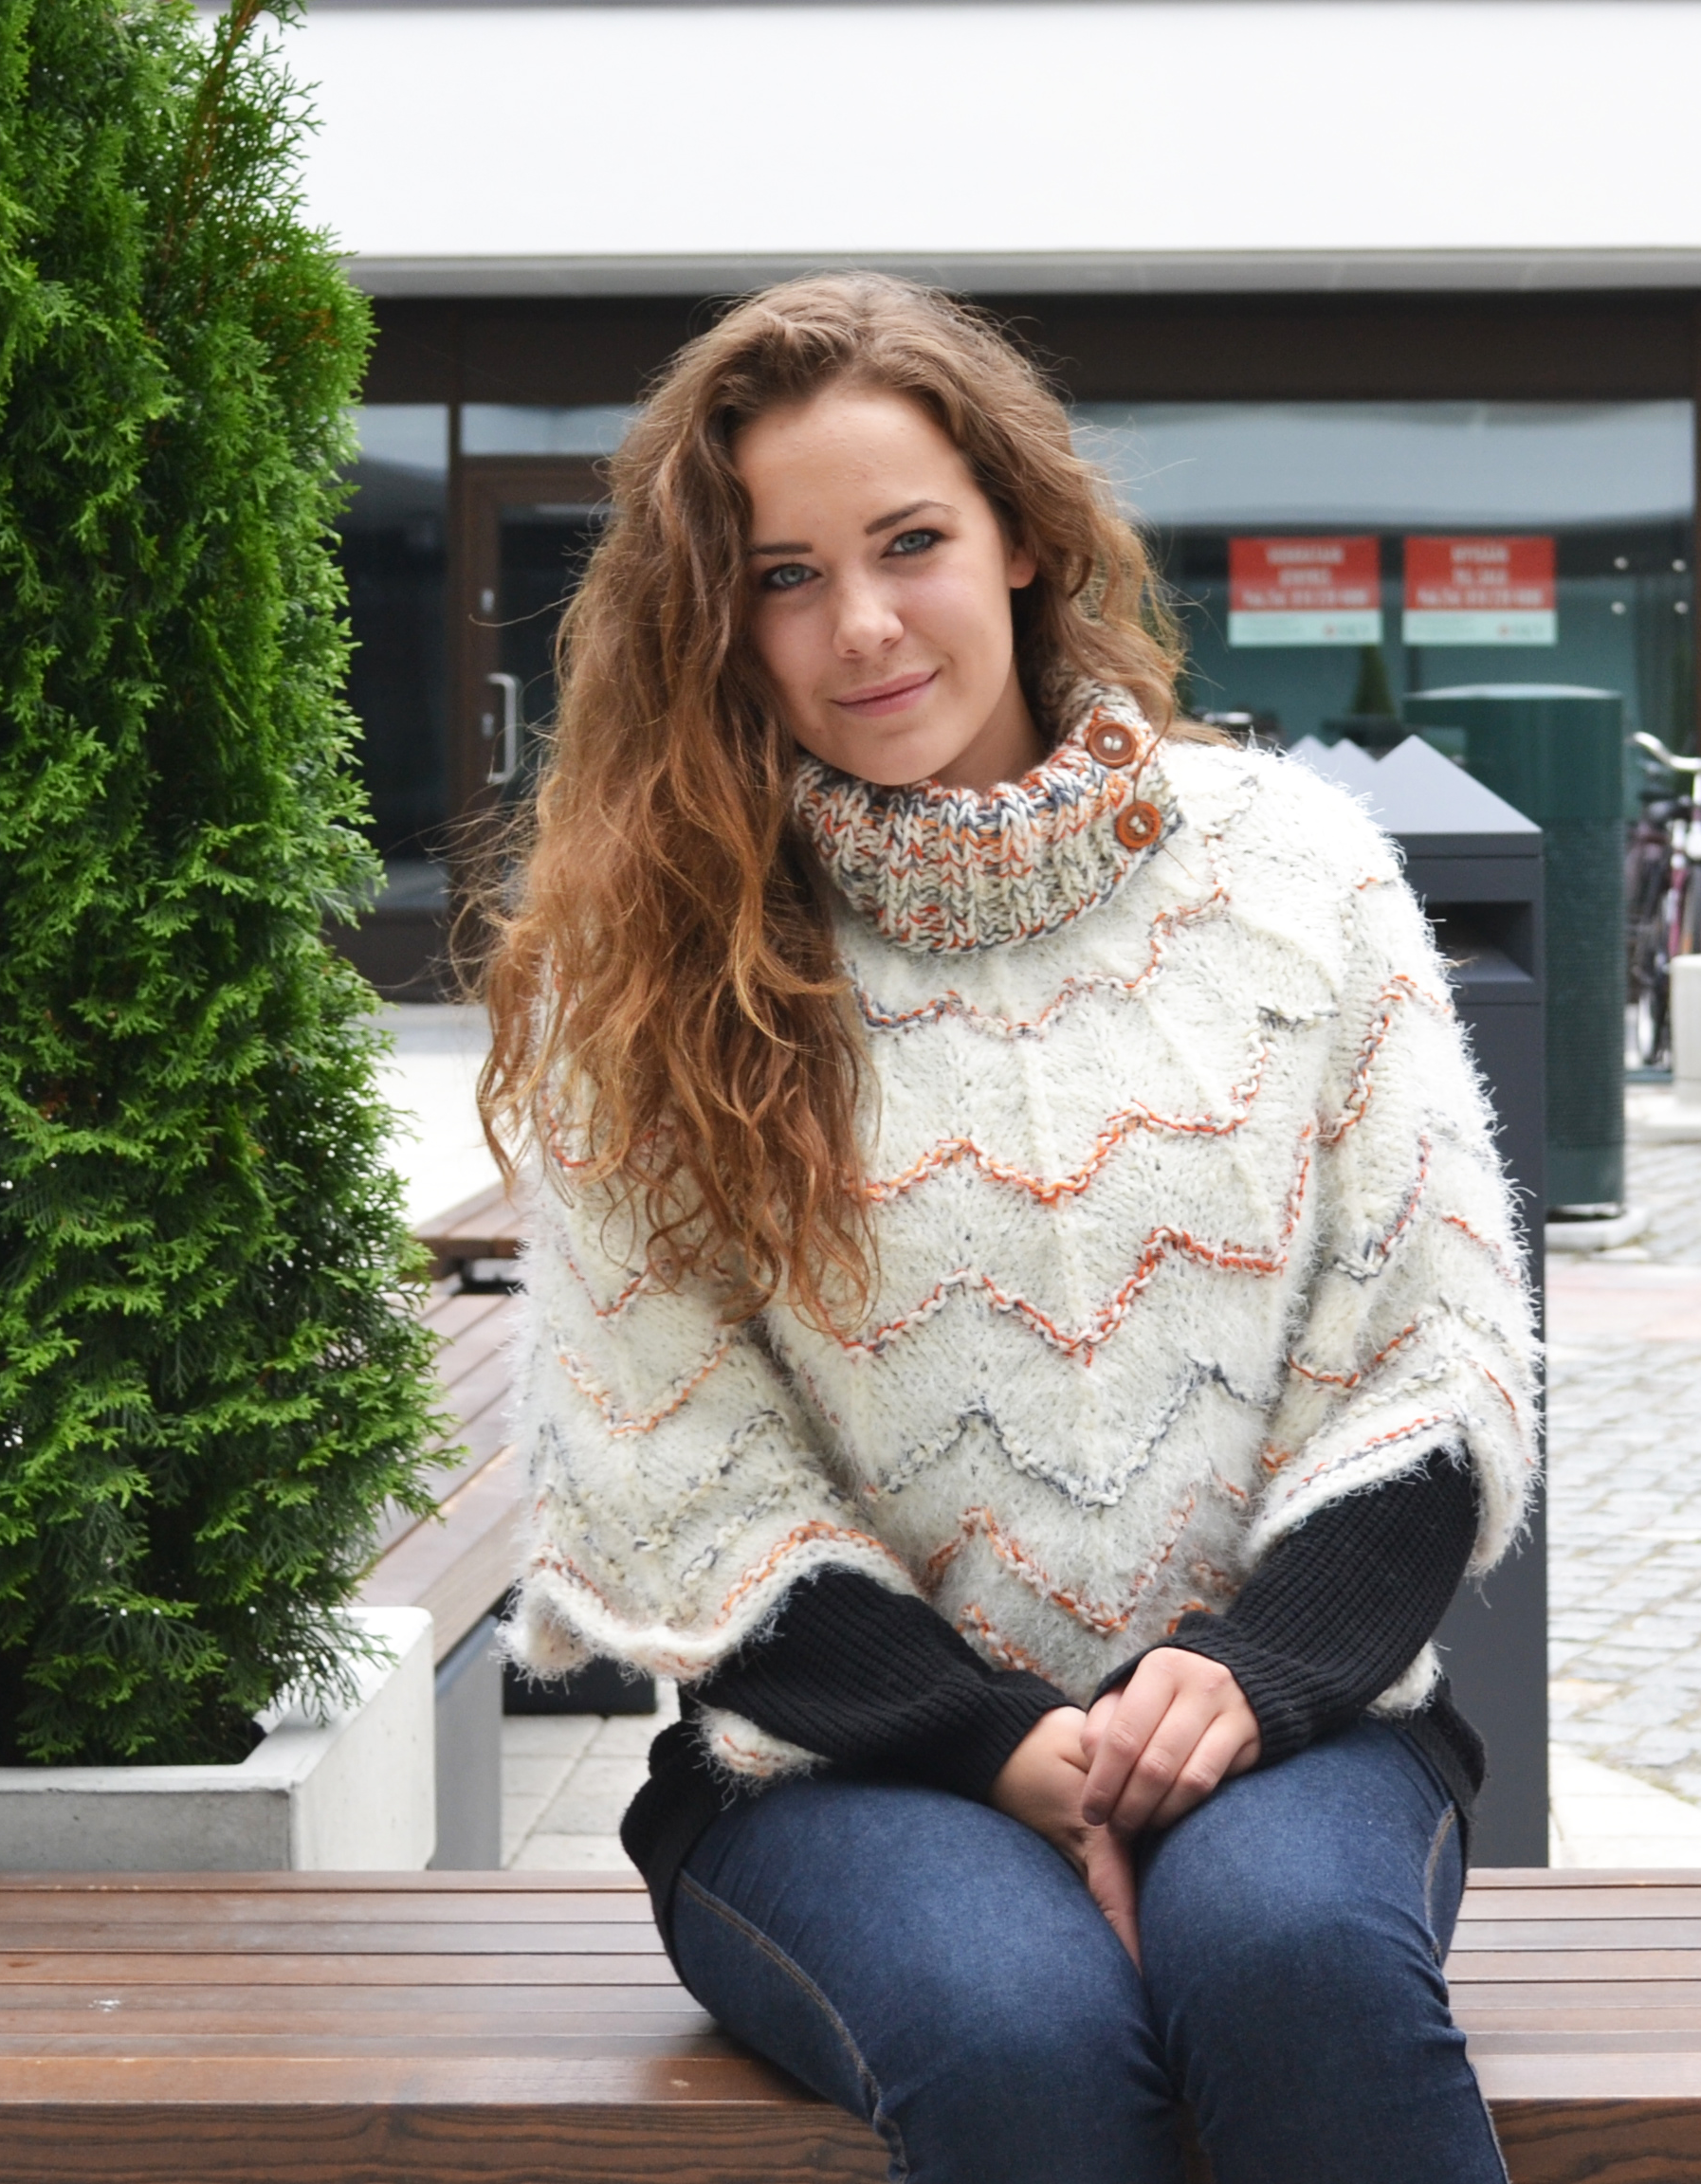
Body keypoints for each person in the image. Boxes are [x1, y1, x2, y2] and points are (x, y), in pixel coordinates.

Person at [479, 273, 1537, 2184]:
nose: (863, 626)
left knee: (1292, 1962)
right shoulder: (648, 975)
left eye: (911, 544)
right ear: (714, 620)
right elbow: (681, 1479)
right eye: (784, 578)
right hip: (838, 1771)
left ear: (1026, 538)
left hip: (1289, 1724)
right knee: (1018, 2028)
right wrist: (1000, 1744)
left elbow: (1435, 1357)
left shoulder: (1297, 876)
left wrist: (1246, 1677)